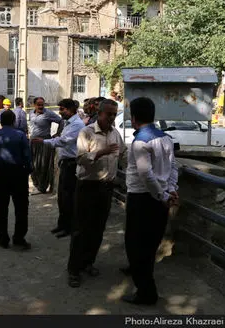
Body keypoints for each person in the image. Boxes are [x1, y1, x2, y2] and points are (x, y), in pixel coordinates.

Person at [122, 97, 179, 306]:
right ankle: (144, 284)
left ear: (133, 117)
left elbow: (146, 176)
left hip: (143, 199)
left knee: (136, 246)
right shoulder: (165, 138)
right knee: (150, 244)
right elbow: (173, 167)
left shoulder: (140, 142)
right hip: (159, 198)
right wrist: (171, 190)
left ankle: (146, 292)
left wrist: (165, 195)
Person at [67, 99, 127, 288]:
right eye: (108, 114)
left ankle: (88, 263)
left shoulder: (116, 134)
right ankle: (74, 270)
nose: (111, 117)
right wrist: (101, 152)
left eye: (114, 114)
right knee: (80, 229)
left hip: (106, 188)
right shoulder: (87, 132)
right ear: (99, 113)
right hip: (87, 187)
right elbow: (80, 159)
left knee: (98, 229)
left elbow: (124, 155)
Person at [32, 98, 85, 238]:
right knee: (62, 197)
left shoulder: (77, 124)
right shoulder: (69, 123)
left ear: (71, 110)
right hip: (65, 163)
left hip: (72, 164)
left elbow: (63, 141)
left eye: (63, 109)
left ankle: (69, 227)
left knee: (68, 197)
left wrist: (44, 141)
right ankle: (62, 225)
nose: (60, 112)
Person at [0, 110, 32, 250]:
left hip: (0, 175)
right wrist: (27, 171)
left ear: (0, 121)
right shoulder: (21, 136)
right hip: (18, 175)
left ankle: (3, 237)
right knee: (21, 208)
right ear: (14, 121)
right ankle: (19, 238)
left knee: (0, 207)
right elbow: (27, 156)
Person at [29, 97, 62, 193]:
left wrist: (57, 134)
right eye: (38, 104)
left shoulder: (48, 113)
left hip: (44, 142)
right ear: (34, 105)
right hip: (33, 142)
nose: (40, 106)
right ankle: (36, 184)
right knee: (32, 164)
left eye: (42, 104)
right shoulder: (31, 113)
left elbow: (61, 121)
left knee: (43, 165)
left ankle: (42, 187)